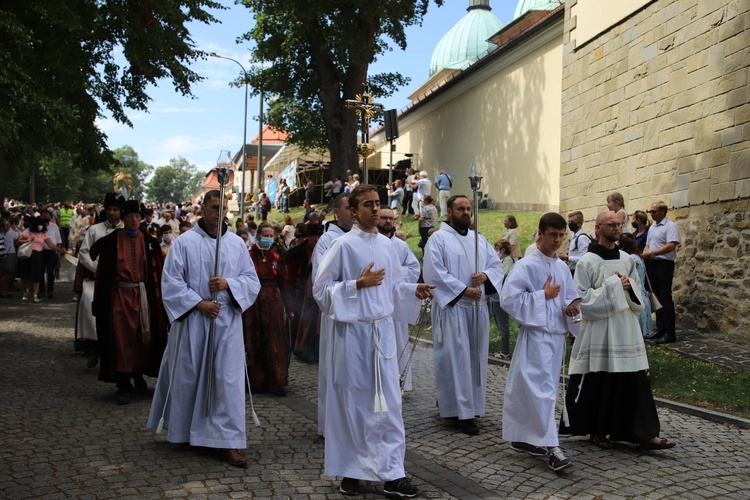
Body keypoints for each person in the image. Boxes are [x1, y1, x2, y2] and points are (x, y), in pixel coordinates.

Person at [312, 184, 433, 498]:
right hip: (353, 335)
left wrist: (412, 290)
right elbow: (322, 291)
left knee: (389, 405)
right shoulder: (342, 246)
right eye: (368, 204)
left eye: (378, 203)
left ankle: (393, 473)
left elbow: (392, 288)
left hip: (382, 335)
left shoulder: (388, 245)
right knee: (354, 403)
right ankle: (352, 471)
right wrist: (357, 284)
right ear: (353, 211)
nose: (375, 209)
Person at [146, 190, 261, 467]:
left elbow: (251, 280)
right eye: (212, 207)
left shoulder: (235, 244)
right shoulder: (184, 243)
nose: (217, 213)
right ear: (202, 209)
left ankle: (227, 442)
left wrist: (228, 285)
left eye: (222, 208)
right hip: (195, 323)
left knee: (227, 381)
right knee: (191, 376)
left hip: (226, 323)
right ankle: (186, 431)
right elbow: (171, 283)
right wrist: (199, 303)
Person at [560, 211, 676, 451]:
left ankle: (646, 434)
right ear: (598, 228)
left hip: (626, 327)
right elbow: (579, 300)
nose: (616, 227)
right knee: (602, 380)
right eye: (610, 224)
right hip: (601, 330)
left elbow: (637, 292)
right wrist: (614, 286)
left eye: (618, 224)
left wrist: (627, 286)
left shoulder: (627, 259)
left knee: (635, 379)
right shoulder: (586, 262)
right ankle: (599, 430)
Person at [499, 212, 580, 472]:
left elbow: (570, 298)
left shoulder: (561, 267)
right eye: (553, 235)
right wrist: (541, 296)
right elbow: (508, 300)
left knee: (539, 391)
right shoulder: (526, 266)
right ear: (540, 234)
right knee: (540, 393)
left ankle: (523, 437)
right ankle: (552, 448)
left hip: (555, 339)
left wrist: (570, 309)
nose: (558, 240)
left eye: (561, 236)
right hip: (535, 337)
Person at [422, 195, 503, 436]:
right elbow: (434, 272)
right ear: (449, 211)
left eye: (468, 209)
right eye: (461, 209)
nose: (466, 212)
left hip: (477, 310)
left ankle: (472, 405)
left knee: (475, 359)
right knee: (455, 360)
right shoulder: (438, 239)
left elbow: (496, 265)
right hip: (454, 309)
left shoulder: (480, 240)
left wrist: (486, 276)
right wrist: (462, 289)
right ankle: (459, 412)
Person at [89, 201, 168, 405]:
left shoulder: (149, 241)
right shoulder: (112, 241)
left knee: (142, 337)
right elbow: (101, 271)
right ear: (123, 218)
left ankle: (138, 373)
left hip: (143, 296)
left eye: (137, 216)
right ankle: (123, 383)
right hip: (119, 297)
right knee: (121, 339)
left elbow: (157, 271)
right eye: (130, 216)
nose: (134, 220)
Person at [311, 192, 354, 438]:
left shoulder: (365, 238)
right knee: (336, 371)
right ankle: (333, 426)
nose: (354, 212)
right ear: (337, 212)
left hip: (364, 318)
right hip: (338, 315)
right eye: (349, 207)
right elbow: (321, 283)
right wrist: (355, 287)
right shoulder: (327, 241)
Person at [244, 222, 291, 396]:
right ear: (258, 237)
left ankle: (275, 381)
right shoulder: (248, 256)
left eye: (272, 236)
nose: (269, 239)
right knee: (255, 339)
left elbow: (284, 283)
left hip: (274, 302)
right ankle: (256, 381)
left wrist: (289, 307)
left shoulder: (277, 258)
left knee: (275, 339)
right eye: (266, 235)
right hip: (254, 302)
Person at [377, 207, 421, 392]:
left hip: (396, 303)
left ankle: (400, 382)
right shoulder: (372, 243)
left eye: (391, 219)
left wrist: (392, 273)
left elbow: (413, 270)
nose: (388, 221)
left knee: (398, 341)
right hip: (376, 303)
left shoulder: (401, 246)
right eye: (384, 218)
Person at [642, 200, 680, 344]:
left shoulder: (670, 226)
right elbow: (647, 244)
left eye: (654, 211)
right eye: (650, 211)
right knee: (656, 296)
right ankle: (661, 328)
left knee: (665, 296)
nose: (651, 214)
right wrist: (646, 252)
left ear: (663, 212)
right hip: (652, 263)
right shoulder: (652, 228)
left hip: (664, 263)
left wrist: (652, 253)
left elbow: (671, 245)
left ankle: (670, 332)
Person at [16, 216, 65, 303]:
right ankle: (25, 292)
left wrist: (60, 249)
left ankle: (35, 293)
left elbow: (51, 245)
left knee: (37, 274)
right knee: (25, 274)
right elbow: (18, 241)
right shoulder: (27, 232)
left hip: (38, 254)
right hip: (28, 254)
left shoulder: (43, 234)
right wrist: (28, 240)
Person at [618, 233, 653, 337]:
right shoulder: (638, 257)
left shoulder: (632, 259)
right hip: (643, 295)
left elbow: (632, 277)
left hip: (637, 295)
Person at [491, 241, 515, 359]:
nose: (496, 251)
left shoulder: (508, 260)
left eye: (497, 248)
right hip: (496, 297)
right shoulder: (501, 261)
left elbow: (502, 276)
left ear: (503, 250)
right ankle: (503, 349)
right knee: (499, 323)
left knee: (503, 324)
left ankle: (505, 351)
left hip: (502, 297)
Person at [558, 211, 591, 277]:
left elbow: (583, 259)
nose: (570, 224)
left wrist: (567, 258)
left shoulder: (582, 238)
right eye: (569, 222)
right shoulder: (574, 236)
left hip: (578, 273)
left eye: (572, 222)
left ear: (579, 223)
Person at [39, 209, 63, 299]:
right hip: (40, 251)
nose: (45, 217)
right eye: (44, 216)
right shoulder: (38, 226)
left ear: (50, 216)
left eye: (47, 216)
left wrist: (58, 251)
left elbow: (58, 239)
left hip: (51, 251)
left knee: (50, 271)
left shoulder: (54, 226)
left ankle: (50, 290)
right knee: (40, 271)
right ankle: (41, 289)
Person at [0, 216, 19, 298]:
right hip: (9, 253)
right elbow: (17, 237)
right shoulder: (9, 231)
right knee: (7, 273)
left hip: (1, 252)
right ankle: (5, 291)